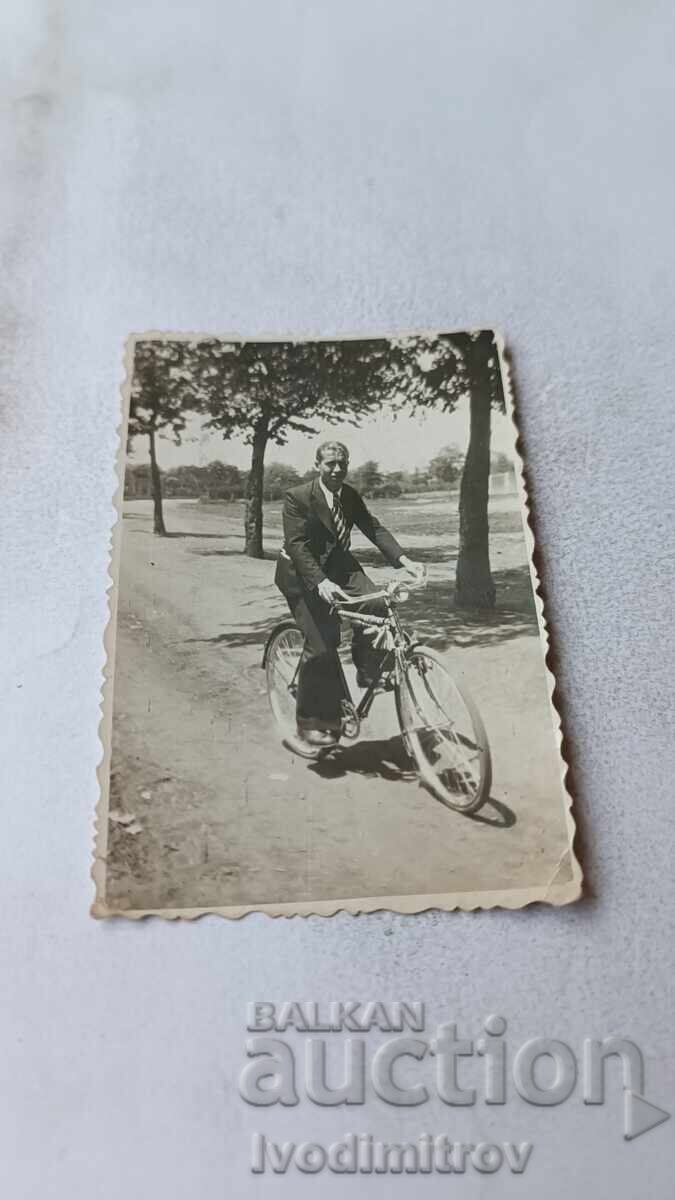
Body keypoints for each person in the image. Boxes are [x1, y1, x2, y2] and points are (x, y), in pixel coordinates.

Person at [274, 440, 426, 754]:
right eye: (330, 463)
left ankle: (367, 669)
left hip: (340, 567)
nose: (337, 469)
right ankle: (310, 723)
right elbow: (298, 546)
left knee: (378, 603)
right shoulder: (299, 497)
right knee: (322, 647)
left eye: (342, 463)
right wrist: (320, 583)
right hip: (302, 574)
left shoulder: (349, 494)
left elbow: (373, 527)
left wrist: (404, 561)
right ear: (317, 464)